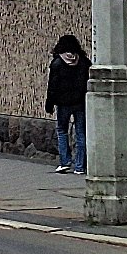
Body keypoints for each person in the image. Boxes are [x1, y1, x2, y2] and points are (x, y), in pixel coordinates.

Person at [45, 33, 91, 174]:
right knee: (81, 133)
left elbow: (52, 86)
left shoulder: (57, 63)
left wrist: (49, 103)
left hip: (63, 103)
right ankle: (80, 166)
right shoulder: (84, 62)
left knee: (62, 130)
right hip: (80, 102)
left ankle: (65, 162)